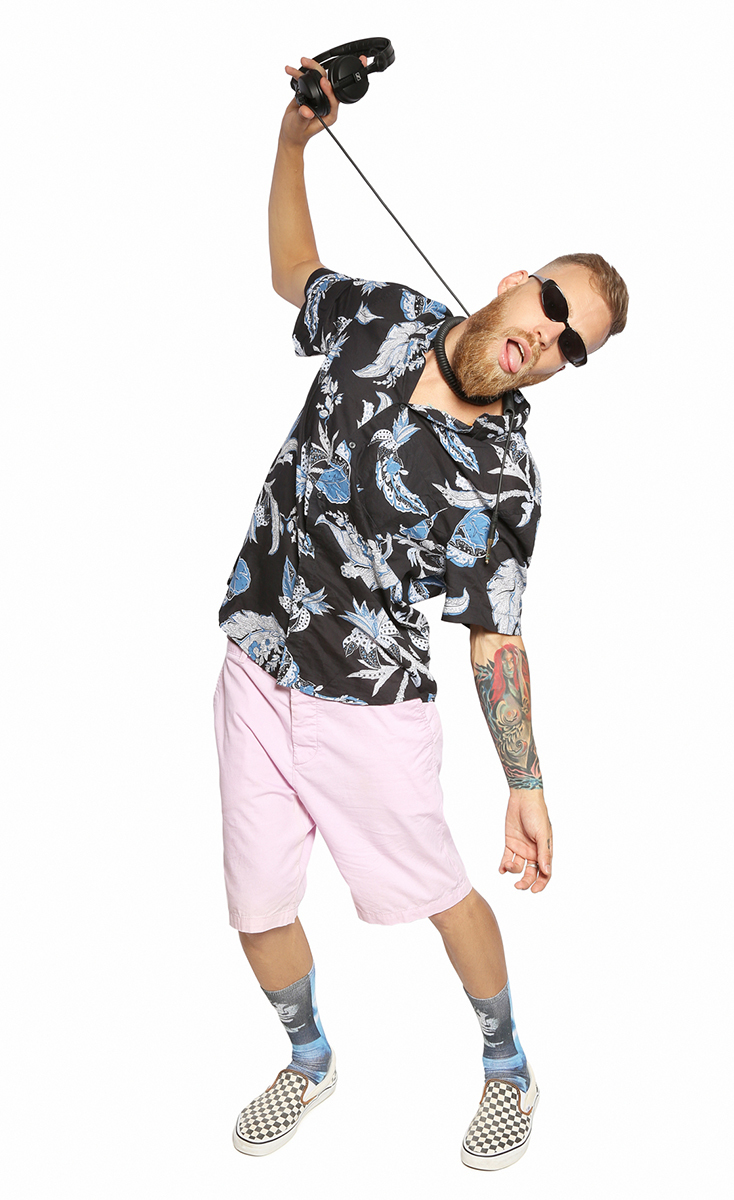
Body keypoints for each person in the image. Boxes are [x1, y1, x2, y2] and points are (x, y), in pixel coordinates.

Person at [213, 54, 628, 1171]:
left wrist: (526, 784)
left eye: (573, 345)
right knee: (257, 909)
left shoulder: (506, 481)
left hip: (369, 711)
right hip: (255, 663)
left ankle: (507, 1068)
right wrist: (293, 141)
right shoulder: (387, 319)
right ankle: (309, 1059)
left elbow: (496, 634)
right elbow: (293, 273)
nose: (549, 337)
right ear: (516, 282)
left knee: (443, 896)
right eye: (553, 305)